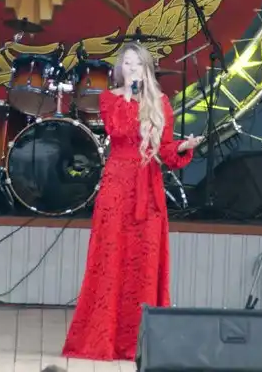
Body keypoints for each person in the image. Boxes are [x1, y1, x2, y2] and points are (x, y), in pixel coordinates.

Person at [62, 42, 203, 361]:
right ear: (119, 68)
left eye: (137, 64)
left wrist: (182, 147)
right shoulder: (109, 99)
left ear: (147, 69)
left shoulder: (161, 103)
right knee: (111, 257)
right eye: (126, 63)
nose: (132, 69)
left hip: (147, 187)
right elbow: (117, 130)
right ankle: (104, 340)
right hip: (117, 184)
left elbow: (165, 151)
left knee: (144, 262)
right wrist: (132, 100)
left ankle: (138, 342)